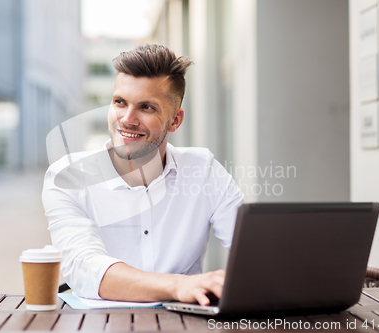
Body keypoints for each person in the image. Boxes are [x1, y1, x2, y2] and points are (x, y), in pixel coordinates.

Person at [42, 44, 244, 306]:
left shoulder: (203, 170)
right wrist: (179, 285)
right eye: (119, 102)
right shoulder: (68, 177)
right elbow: (84, 268)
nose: (127, 119)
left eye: (146, 107)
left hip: (186, 324)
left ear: (175, 120)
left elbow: (256, 254)